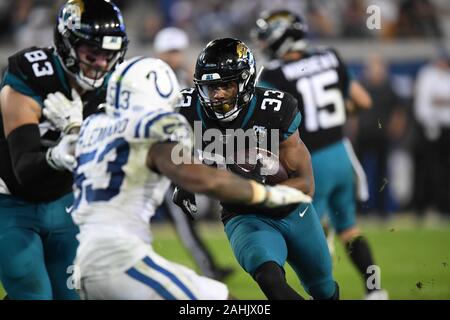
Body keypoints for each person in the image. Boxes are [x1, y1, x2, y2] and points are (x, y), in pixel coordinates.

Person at [43, 56, 312, 300]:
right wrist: (267, 194)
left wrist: (72, 127)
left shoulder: (91, 127)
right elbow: (207, 181)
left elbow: (78, 148)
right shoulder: (149, 127)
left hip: (84, 261)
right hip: (120, 259)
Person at [175, 38, 339, 300]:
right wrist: (182, 179)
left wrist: (253, 190)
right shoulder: (185, 110)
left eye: (225, 86)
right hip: (243, 215)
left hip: (293, 211)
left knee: (324, 289)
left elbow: (306, 184)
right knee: (269, 278)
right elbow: (171, 149)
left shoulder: (274, 110)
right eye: (210, 87)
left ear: (245, 82)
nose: (216, 95)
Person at [252, 10, 388, 300]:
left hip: (310, 161)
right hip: (342, 154)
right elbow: (363, 100)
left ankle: (322, 294)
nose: (264, 44)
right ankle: (376, 291)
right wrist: (336, 115)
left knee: (313, 235)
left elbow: (261, 125)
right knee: (349, 228)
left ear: (281, 38)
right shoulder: (330, 57)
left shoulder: (273, 74)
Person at [0, 0, 128, 299]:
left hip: (64, 201)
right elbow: (25, 170)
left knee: (72, 296)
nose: (100, 63)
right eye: (91, 53)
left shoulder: (116, 89)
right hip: (8, 199)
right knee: (33, 294)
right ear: (66, 45)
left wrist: (81, 133)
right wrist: (60, 153)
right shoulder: (30, 73)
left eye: (108, 55)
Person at [154, 26, 233, 281]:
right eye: (170, 51)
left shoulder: (190, 77)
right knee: (183, 219)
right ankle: (209, 270)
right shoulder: (156, 78)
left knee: (190, 216)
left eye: (177, 51)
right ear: (161, 53)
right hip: (165, 157)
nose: (174, 56)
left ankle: (210, 266)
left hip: (189, 155)